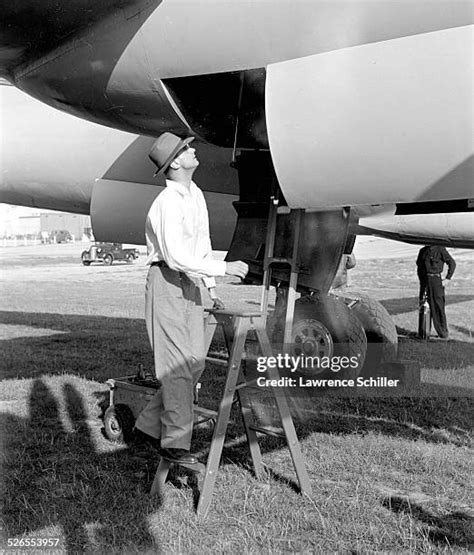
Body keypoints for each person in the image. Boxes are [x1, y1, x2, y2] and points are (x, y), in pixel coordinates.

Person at [134, 132, 248, 465]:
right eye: (187, 149)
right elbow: (176, 258)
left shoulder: (194, 193)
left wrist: (211, 287)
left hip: (191, 283)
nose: (193, 149)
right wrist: (225, 267)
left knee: (195, 361)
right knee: (177, 367)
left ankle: (147, 428)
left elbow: (201, 244)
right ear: (177, 163)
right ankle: (175, 444)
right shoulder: (166, 204)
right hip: (167, 281)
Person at [416, 245, 456, 339]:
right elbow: (419, 266)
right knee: (424, 306)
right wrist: (422, 281)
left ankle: (443, 333)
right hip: (425, 281)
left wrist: (447, 279)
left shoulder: (440, 249)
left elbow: (452, 263)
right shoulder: (423, 251)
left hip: (436, 281)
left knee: (438, 307)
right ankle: (423, 333)